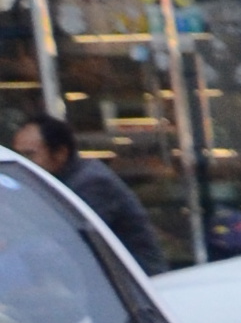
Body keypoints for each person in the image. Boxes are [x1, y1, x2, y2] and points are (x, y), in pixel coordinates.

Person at [13, 112, 161, 265]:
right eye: (19, 155)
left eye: (29, 155)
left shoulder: (92, 183)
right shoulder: (53, 182)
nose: (23, 162)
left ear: (61, 153)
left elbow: (70, 240)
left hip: (132, 275)